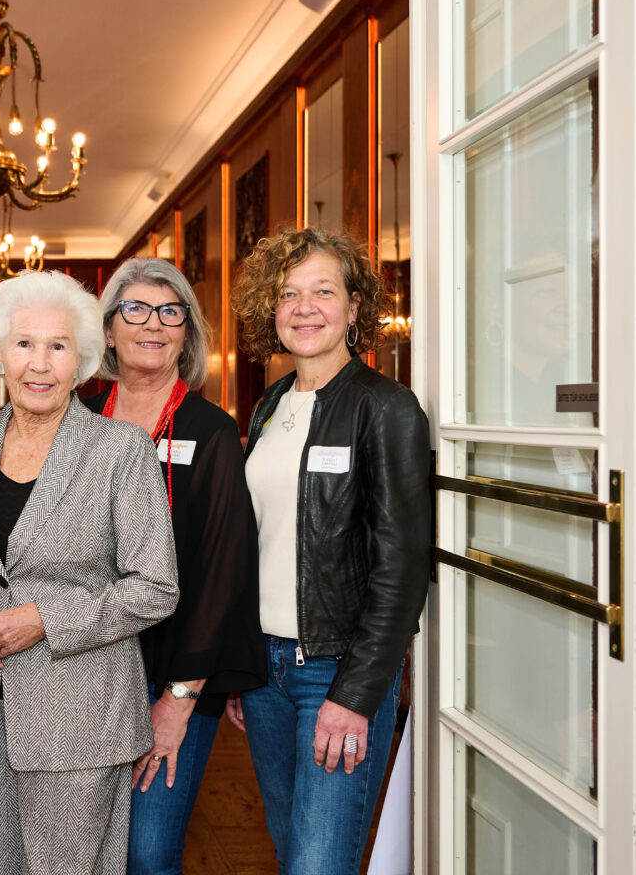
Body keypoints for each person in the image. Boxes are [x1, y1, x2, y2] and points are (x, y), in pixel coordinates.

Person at [0, 270, 180, 875]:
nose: (39, 364)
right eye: (24, 344)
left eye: (57, 346)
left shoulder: (120, 449)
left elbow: (155, 587)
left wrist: (46, 619)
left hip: (79, 717)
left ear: (82, 360)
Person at [227, 227, 431, 875]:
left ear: (354, 305)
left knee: (319, 864)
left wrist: (357, 693)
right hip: (264, 670)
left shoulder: (386, 407)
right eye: (289, 294)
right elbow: (258, 542)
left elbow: (403, 567)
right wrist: (239, 664)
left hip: (336, 670)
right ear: (271, 309)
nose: (305, 308)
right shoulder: (270, 405)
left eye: (323, 291)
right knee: (291, 851)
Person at [82, 258, 265, 875]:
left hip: (173, 672)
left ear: (187, 334)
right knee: (80, 844)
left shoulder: (210, 430)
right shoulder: (76, 418)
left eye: (170, 312)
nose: (153, 324)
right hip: (82, 668)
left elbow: (223, 569)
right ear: (109, 330)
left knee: (147, 852)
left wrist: (180, 698)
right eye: (135, 309)